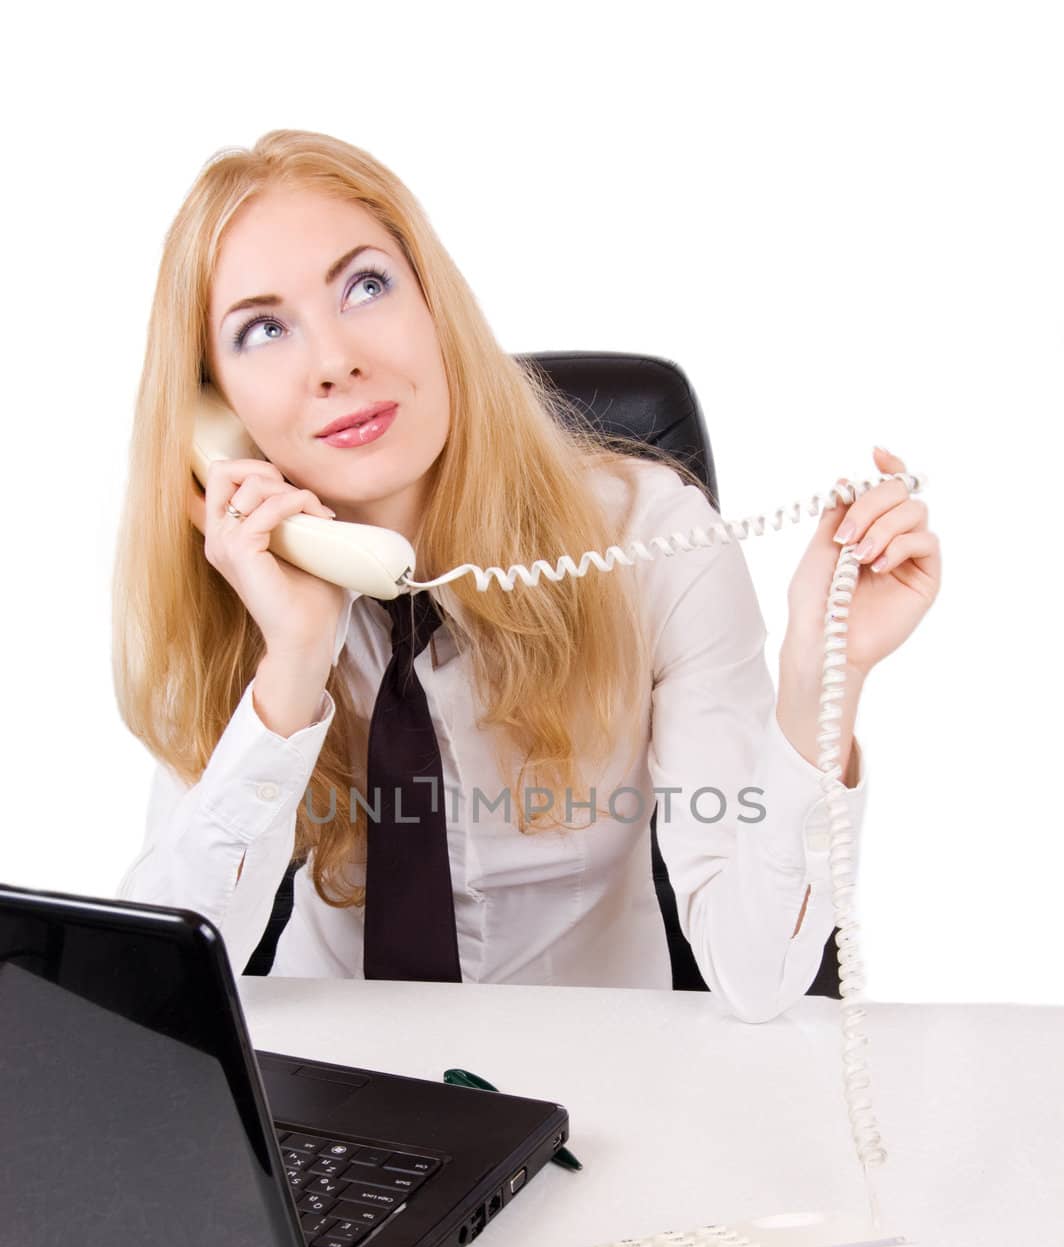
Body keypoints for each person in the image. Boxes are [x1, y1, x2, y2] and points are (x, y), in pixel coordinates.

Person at [112, 129, 941, 1021]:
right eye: (263, 329)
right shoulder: (245, 595)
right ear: (215, 408)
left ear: (438, 306)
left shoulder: (650, 541)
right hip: (341, 1094)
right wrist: (294, 657)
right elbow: (157, 992)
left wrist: (823, 679)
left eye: (366, 285)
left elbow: (761, 972)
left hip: (600, 1089)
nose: (333, 362)